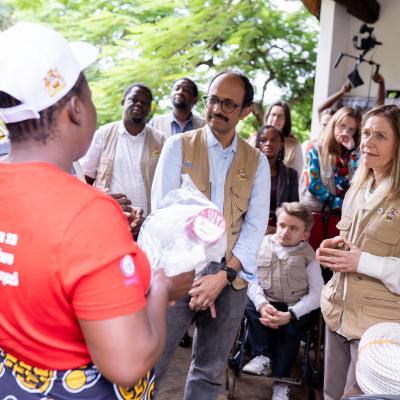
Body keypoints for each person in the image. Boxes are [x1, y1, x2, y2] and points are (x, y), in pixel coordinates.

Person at [0, 22, 193, 399]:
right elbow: (126, 363)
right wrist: (161, 287)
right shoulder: (89, 212)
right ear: (75, 110)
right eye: (89, 97)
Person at [152, 70, 270, 400]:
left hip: (230, 279)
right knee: (151, 364)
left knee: (209, 372)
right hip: (179, 273)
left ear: (246, 111)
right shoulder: (178, 146)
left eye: (229, 104)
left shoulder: (257, 162)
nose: (217, 109)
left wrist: (223, 274)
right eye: (214, 99)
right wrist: (195, 273)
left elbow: (255, 226)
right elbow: (164, 216)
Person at [316, 104, 400, 399]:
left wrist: (361, 261)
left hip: (376, 327)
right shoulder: (357, 188)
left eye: (380, 135)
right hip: (337, 313)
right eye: (366, 133)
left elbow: (363, 258)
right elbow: (351, 242)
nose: (367, 141)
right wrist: (333, 247)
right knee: (330, 395)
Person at [243, 202, 323, 400]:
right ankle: (262, 356)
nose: (285, 231)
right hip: (266, 301)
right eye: (282, 225)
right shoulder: (261, 245)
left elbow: (317, 293)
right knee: (247, 305)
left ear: (305, 234)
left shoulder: (309, 257)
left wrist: (291, 314)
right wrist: (262, 305)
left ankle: (281, 380)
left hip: (295, 306)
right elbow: (250, 279)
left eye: (293, 228)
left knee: (291, 329)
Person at [80, 83, 165, 235]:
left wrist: (151, 219)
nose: (139, 104)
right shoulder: (104, 134)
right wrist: (101, 200)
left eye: (145, 102)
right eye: (133, 99)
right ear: (123, 102)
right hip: (108, 221)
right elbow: (85, 178)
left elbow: (166, 186)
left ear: (150, 108)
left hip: (147, 226)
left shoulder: (161, 140)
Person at [300, 106, 361, 213]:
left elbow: (359, 180)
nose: (345, 132)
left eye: (351, 129)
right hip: (317, 213)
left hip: (344, 216)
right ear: (333, 125)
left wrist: (352, 152)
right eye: (342, 126)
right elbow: (312, 184)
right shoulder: (316, 148)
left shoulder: (354, 154)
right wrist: (339, 204)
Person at [255, 125, 298, 233]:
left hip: (279, 233)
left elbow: (294, 211)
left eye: (273, 140)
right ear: (258, 144)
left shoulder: (291, 175)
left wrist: (276, 230)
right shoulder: (246, 172)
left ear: (281, 145)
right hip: (250, 231)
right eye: (263, 140)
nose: (268, 143)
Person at [263, 101, 303, 178]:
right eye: (273, 114)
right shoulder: (254, 141)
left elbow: (297, 176)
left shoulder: (294, 146)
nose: (275, 119)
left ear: (286, 121)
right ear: (267, 117)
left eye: (280, 116)